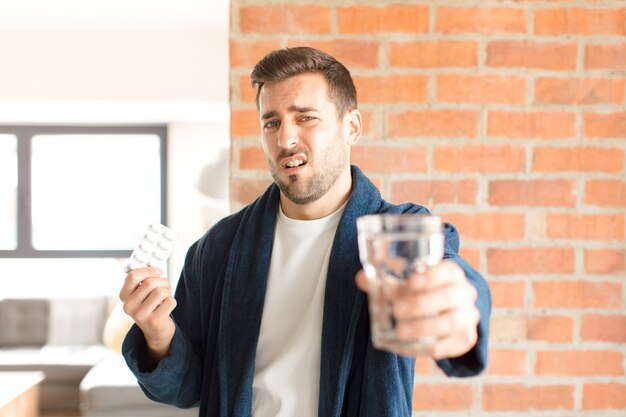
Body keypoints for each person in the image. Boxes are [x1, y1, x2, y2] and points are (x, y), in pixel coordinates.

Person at [120, 46, 491, 417]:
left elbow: (454, 277)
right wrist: (158, 333)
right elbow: (187, 389)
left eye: (306, 118)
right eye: (272, 123)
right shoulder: (218, 247)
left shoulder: (401, 232)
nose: (285, 139)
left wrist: (460, 309)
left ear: (352, 128)